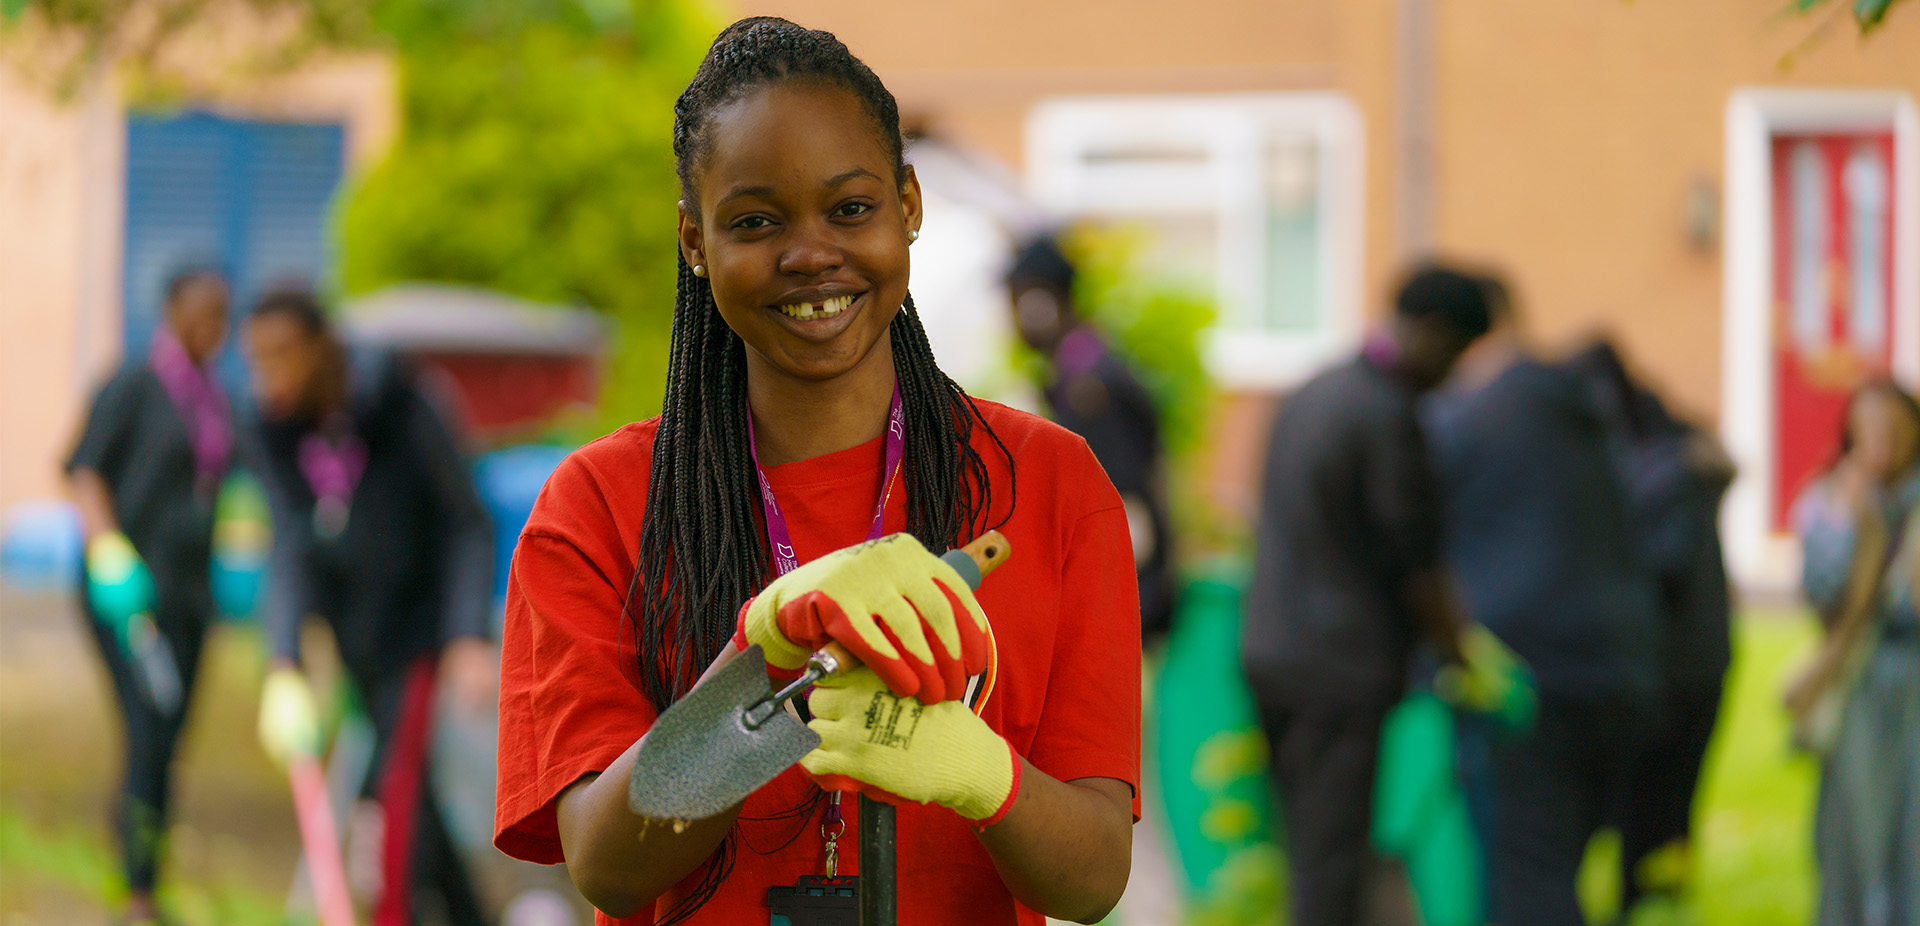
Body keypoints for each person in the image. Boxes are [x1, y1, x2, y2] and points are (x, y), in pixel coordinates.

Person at [490, 18, 1140, 926]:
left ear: (908, 205)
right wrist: (770, 651)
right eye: (755, 221)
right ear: (693, 239)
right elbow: (606, 865)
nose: (810, 254)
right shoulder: (598, 505)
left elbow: (1094, 877)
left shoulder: (1050, 485)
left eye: (850, 208)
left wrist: (984, 776)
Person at [1243, 264, 1524, 926]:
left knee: (1309, 849)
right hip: (1338, 671)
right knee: (1331, 864)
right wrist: (1464, 658)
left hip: (1270, 651)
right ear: (1429, 332)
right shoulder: (1387, 415)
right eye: (1456, 352)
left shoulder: (1310, 393)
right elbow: (1415, 565)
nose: (1455, 373)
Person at [239, 287, 497, 926]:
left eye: (281, 356)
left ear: (324, 348)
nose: (267, 377)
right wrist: (283, 660)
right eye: (257, 361)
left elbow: (467, 522)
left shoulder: (404, 401)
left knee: (392, 799)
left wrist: (467, 634)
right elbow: (291, 543)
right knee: (414, 804)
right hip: (354, 640)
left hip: (418, 632)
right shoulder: (273, 428)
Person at [1422, 278, 1663, 926]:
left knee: (1527, 873)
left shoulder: (1468, 419)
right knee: (1559, 861)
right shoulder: (1585, 417)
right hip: (1622, 674)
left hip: (1529, 678)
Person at [65, 268, 234, 926]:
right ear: (170, 310)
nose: (212, 329)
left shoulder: (216, 399)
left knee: (170, 738)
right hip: (127, 597)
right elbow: (85, 469)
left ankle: (149, 872)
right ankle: (135, 889)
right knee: (146, 728)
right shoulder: (133, 384)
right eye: (201, 313)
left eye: (222, 315)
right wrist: (106, 549)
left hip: (191, 598)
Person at [1566, 339, 1735, 914]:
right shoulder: (1674, 456)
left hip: (1673, 671)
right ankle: (1652, 901)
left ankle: (1653, 904)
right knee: (1655, 812)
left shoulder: (1662, 470)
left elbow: (1666, 573)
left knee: (1656, 810)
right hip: (1687, 664)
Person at [1786, 378, 1920, 926]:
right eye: (1868, 427)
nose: (1880, 440)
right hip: (1858, 682)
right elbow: (1819, 595)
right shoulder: (1828, 500)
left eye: (1893, 426)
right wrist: (1852, 527)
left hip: (1913, 680)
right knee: (1850, 833)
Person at [1004, 234, 1178, 643]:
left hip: (1126, 603)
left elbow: (1123, 504)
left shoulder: (1087, 385)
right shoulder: (1082, 367)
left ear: (1040, 304)